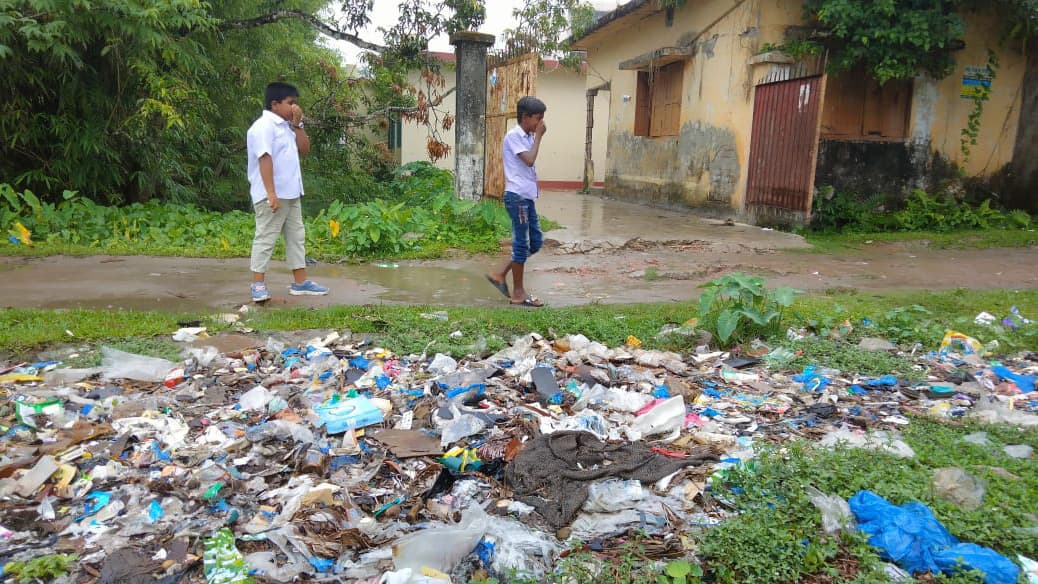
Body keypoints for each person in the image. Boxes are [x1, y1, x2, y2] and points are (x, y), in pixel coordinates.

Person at [247, 82, 328, 302]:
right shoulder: (263, 127)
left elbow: (304, 149)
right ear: (275, 104)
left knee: (296, 238)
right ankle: (258, 284)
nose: (295, 107)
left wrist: (298, 124)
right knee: (266, 238)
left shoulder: (285, 126)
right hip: (272, 195)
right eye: (290, 103)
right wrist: (271, 194)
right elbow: (265, 158)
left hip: (292, 194)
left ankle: (300, 283)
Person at [486, 96, 547, 307]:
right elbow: (529, 160)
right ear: (525, 117)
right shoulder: (513, 136)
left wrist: (535, 135)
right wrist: (539, 137)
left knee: (536, 242)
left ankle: (499, 274)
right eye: (537, 119)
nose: (541, 123)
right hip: (517, 196)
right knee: (521, 243)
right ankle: (518, 293)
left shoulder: (528, 136)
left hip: (527, 196)